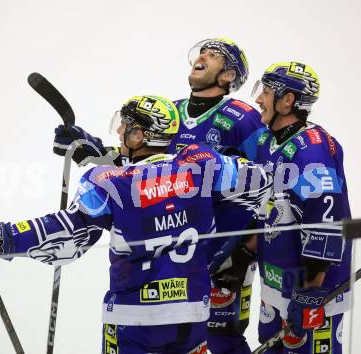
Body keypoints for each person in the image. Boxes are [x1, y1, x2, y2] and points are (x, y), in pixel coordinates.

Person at [0, 95, 272, 354]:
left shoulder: (110, 181)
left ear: (142, 134)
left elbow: (66, 233)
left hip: (135, 322)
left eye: (126, 126)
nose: (119, 132)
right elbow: (260, 184)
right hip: (193, 316)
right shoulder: (203, 164)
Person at [53, 38, 267, 354]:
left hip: (227, 253)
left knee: (224, 337)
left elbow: (267, 181)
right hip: (176, 257)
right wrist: (90, 148)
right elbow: (142, 169)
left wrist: (246, 250)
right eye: (202, 51)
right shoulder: (174, 111)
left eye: (216, 55)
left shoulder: (242, 116)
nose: (204, 55)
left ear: (228, 75)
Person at [251, 62, 352, 353]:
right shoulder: (265, 140)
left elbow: (326, 220)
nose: (258, 99)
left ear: (288, 101)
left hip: (313, 293)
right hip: (276, 282)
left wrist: (311, 292)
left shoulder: (313, 151)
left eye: (267, 91)